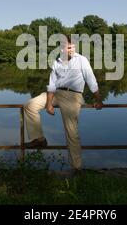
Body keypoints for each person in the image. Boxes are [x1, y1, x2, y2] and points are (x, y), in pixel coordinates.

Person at [23, 36, 103, 171]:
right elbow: (52, 85)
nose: (71, 49)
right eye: (68, 46)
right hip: (56, 94)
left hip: (73, 95)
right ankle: (39, 139)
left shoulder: (82, 60)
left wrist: (98, 99)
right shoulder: (57, 62)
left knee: (72, 133)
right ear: (62, 48)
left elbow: (91, 80)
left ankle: (76, 168)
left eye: (72, 46)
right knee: (29, 105)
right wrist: (49, 103)